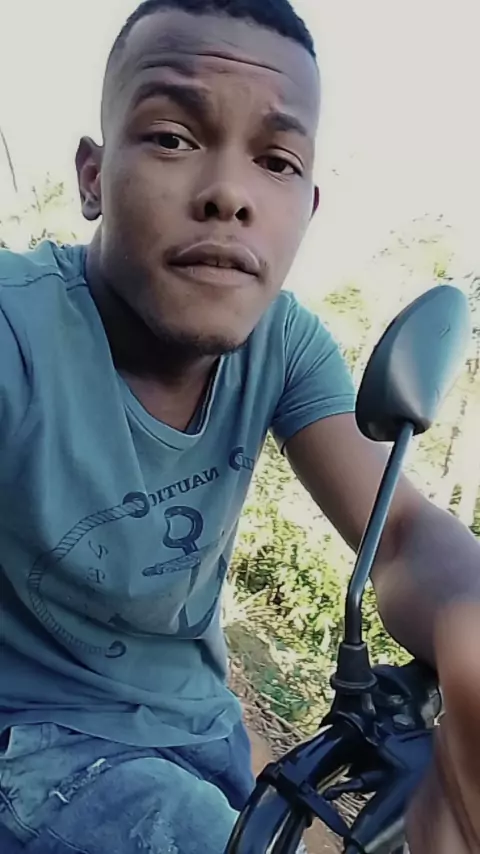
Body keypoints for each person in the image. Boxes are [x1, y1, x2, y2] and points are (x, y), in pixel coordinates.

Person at [0, 0, 479, 851]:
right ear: (92, 176)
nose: (228, 194)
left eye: (276, 160)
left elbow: (400, 534)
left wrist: (472, 620)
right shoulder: (16, 328)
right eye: (172, 137)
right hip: (36, 738)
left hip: (201, 724)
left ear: (308, 208)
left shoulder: (283, 344)